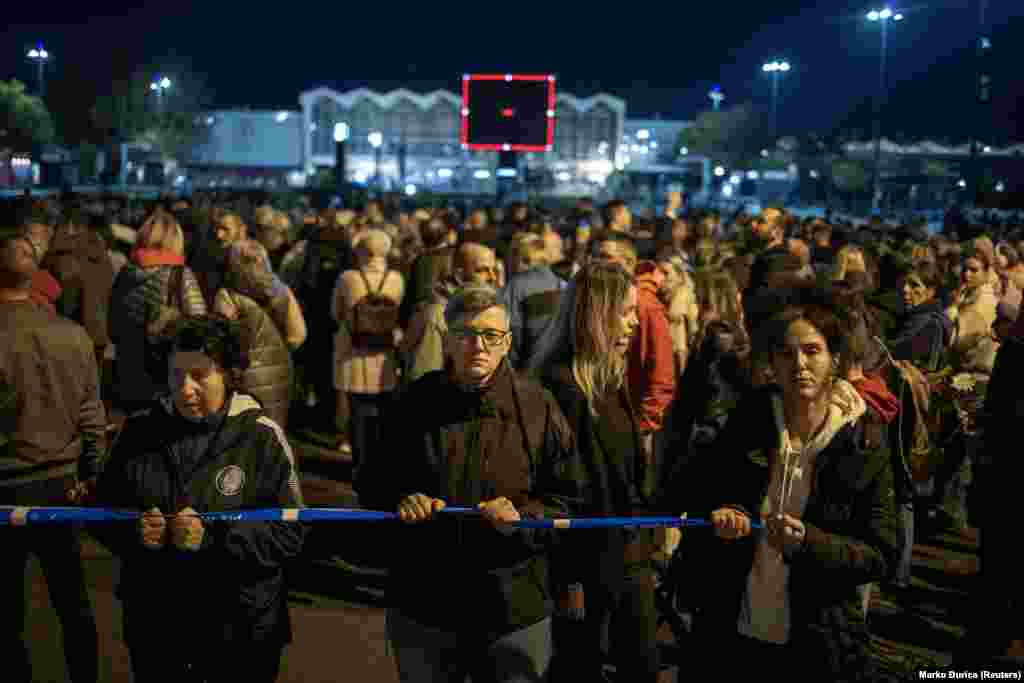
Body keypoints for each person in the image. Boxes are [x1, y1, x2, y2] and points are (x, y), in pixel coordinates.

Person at [355, 286, 581, 683]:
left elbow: (568, 497)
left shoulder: (537, 405)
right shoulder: (412, 402)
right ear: (446, 338)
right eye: (466, 333)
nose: (479, 345)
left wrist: (524, 518)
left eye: (491, 335)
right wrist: (402, 500)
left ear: (507, 342)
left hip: (513, 605)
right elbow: (371, 481)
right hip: (425, 602)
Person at [689, 291, 902, 680]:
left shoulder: (864, 441)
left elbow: (881, 553)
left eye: (812, 350)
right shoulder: (747, 422)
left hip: (818, 640)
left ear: (835, 359)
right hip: (734, 630)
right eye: (787, 354)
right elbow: (702, 493)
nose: (799, 365)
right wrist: (726, 511)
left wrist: (810, 542)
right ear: (772, 362)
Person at [94, 315, 306, 683]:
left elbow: (292, 532)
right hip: (157, 624)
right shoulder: (138, 431)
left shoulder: (262, 436)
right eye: (176, 375)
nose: (185, 389)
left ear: (228, 374)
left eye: (199, 375)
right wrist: (134, 533)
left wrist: (215, 537)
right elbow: (101, 512)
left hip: (241, 625)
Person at [530, 262, 661, 683]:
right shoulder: (565, 387)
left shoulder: (602, 379)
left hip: (623, 553)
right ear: (596, 314)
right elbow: (564, 490)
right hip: (590, 565)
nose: (633, 322)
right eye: (623, 312)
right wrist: (571, 581)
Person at [0, 228, 102, 683]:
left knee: (7, 608)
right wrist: (91, 471)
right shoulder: (72, 335)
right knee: (72, 597)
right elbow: (91, 413)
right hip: (61, 482)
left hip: (6, 484)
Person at [108, 208, 207, 412]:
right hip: (169, 383)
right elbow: (202, 329)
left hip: (129, 380)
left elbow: (113, 329)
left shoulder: (124, 275)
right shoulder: (180, 276)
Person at [213, 239, 307, 429]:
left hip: (244, 373)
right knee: (274, 427)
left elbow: (224, 337)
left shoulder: (228, 295)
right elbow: (298, 334)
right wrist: (278, 350)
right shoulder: (282, 291)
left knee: (243, 430)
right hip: (280, 368)